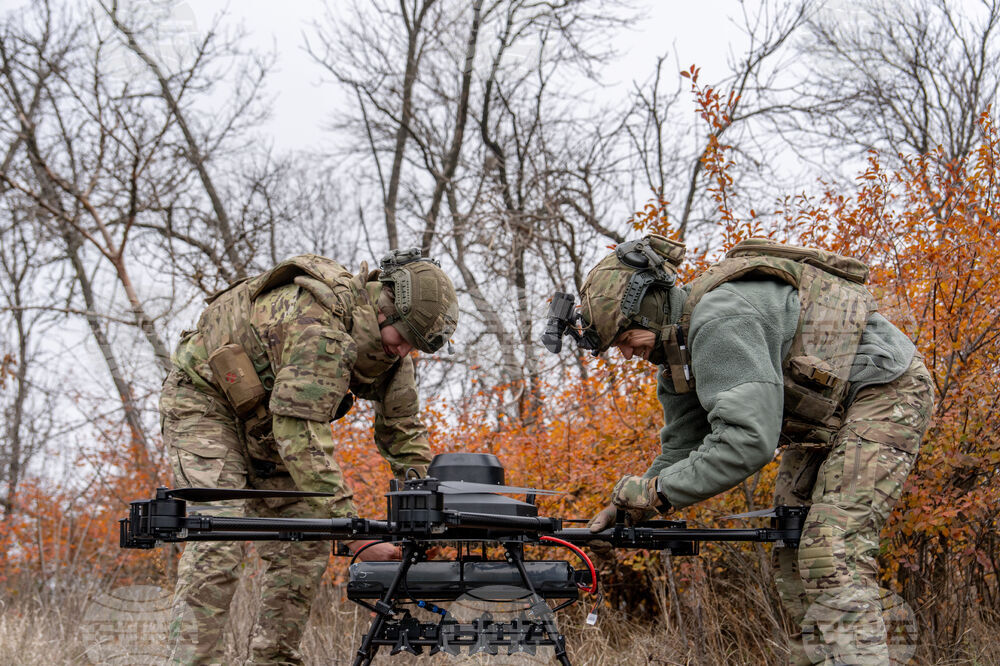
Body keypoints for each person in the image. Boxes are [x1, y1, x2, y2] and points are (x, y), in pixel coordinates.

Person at [559, 234, 933, 665]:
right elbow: (683, 446)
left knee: (831, 549)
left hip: (887, 391)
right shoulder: (678, 357)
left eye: (624, 338)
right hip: (825, 417)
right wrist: (629, 508)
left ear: (650, 307)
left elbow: (748, 443)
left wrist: (655, 492)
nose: (625, 354)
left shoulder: (719, 321)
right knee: (793, 549)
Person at [161, 249, 458, 665]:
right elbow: (299, 431)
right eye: (404, 337)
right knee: (219, 537)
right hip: (205, 402)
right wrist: (354, 533)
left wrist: (434, 502)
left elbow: (403, 432)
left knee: (304, 544)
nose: (405, 351)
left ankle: (274, 660)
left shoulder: (391, 355)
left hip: (269, 425)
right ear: (385, 309)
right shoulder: (321, 327)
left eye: (416, 346)